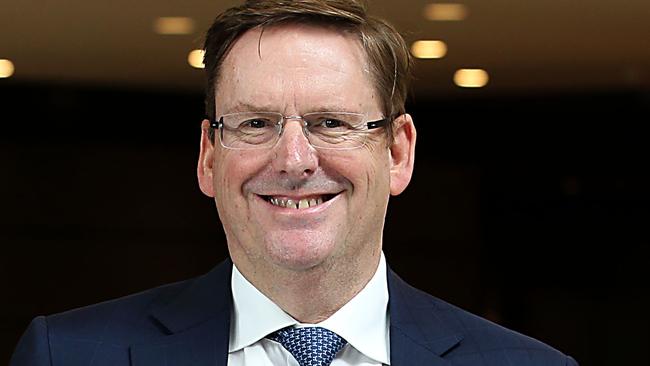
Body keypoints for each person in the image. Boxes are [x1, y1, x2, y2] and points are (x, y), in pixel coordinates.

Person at [10, 1, 578, 365]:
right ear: (208, 156)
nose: (295, 159)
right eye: (256, 123)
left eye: (331, 123)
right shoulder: (69, 355)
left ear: (398, 152)